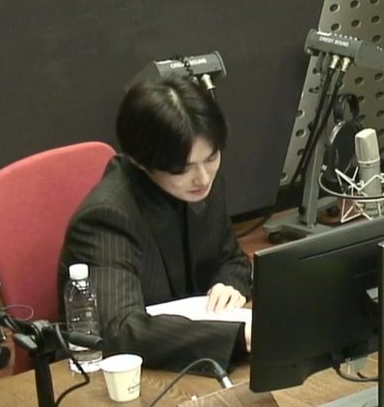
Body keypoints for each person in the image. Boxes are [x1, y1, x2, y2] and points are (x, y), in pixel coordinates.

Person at [57, 76, 252, 373]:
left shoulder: (206, 186)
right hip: (126, 374)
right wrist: (236, 338)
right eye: (183, 169)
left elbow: (233, 259)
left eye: (212, 157)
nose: (203, 178)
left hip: (196, 359)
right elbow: (119, 331)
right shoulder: (105, 218)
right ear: (139, 161)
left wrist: (228, 284)